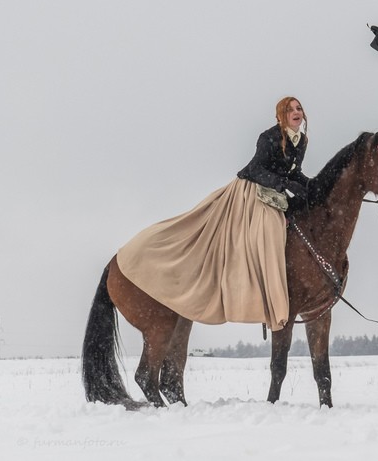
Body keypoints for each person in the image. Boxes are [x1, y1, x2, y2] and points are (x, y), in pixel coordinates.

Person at [116, 96, 311, 330]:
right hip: (252, 189)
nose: (295, 112)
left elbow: (294, 171)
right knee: (269, 228)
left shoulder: (302, 140)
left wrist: (313, 185)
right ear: (281, 116)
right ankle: (265, 299)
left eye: (298, 108)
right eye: (290, 109)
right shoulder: (268, 137)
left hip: (275, 192)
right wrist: (283, 184)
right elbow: (256, 169)